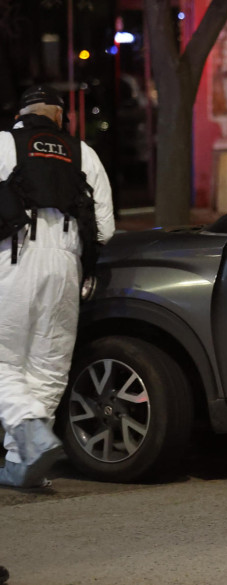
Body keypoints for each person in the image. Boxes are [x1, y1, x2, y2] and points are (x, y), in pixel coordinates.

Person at [0, 85, 115, 488]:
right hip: (67, 263)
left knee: (2, 360)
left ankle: (26, 428)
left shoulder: (4, 145)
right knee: (47, 366)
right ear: (60, 117)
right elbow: (106, 228)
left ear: (21, 113)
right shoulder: (84, 153)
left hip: (11, 260)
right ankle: (21, 463)